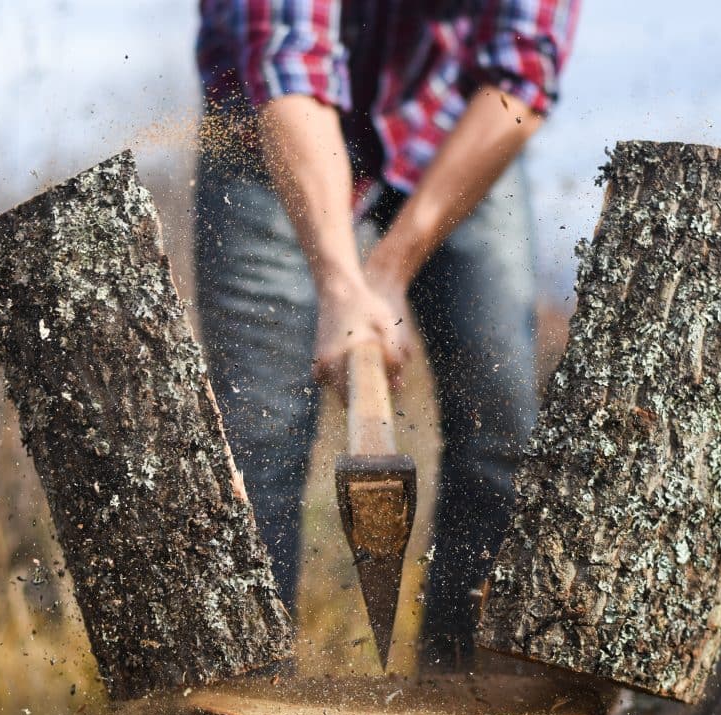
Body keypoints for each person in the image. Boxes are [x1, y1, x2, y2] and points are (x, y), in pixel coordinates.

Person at [193, 0, 579, 671]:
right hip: (268, 128)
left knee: (504, 432)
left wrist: (392, 265)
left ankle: (465, 704)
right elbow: (289, 64)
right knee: (251, 448)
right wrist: (342, 286)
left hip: (453, 128)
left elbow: (521, 74)